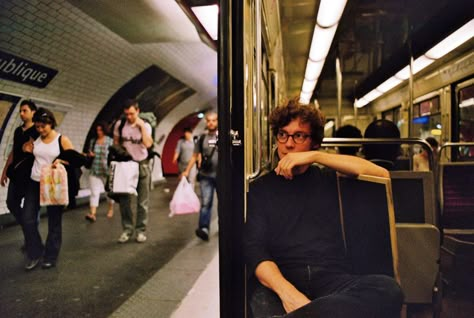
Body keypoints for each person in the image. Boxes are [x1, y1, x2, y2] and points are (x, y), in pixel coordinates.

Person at [244, 99, 403, 317]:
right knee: (261, 302)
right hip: (282, 279)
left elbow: (381, 174)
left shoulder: (329, 178)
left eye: (299, 136)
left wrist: (318, 157)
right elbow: (256, 252)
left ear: (314, 142)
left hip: (331, 279)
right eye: (283, 134)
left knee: (388, 289)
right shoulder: (259, 189)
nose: (289, 144)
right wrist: (288, 293)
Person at [22, 108, 75, 270]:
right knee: (27, 219)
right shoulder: (37, 140)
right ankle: (36, 251)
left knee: (54, 221)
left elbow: (74, 159)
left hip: (53, 183)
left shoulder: (61, 140)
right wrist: (26, 148)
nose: (40, 130)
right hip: (35, 182)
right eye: (37, 127)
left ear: (50, 123)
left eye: (43, 127)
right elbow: (31, 151)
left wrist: (61, 161)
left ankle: (50, 256)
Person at [1, 100, 39, 252]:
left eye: (25, 111)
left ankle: (31, 241)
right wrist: (4, 171)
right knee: (11, 202)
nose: (21, 114)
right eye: (20, 111)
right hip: (16, 175)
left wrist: (33, 149)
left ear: (33, 112)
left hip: (31, 177)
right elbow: (13, 152)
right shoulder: (18, 131)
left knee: (32, 212)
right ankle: (29, 231)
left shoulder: (38, 131)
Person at [113, 99, 153, 243]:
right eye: (127, 114)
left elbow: (148, 144)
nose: (129, 117)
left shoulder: (145, 125)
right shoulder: (120, 124)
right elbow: (116, 142)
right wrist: (121, 152)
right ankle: (127, 229)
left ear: (138, 111)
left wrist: (141, 126)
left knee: (142, 202)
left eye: (131, 114)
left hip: (141, 164)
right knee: (125, 201)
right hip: (126, 165)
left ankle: (140, 231)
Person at [181, 111, 218, 241]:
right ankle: (204, 228)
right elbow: (194, 156)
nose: (211, 123)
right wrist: (187, 171)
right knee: (206, 203)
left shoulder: (223, 136)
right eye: (209, 121)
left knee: (223, 203)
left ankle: (223, 226)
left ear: (218, 122)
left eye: (214, 120)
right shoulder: (202, 138)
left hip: (222, 176)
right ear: (206, 122)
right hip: (206, 175)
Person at [84, 122, 115, 222]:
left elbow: (113, 155)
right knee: (94, 192)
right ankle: (92, 213)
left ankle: (110, 208)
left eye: (100, 130)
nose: (98, 132)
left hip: (107, 170)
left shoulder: (110, 141)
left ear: (105, 130)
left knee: (109, 192)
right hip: (95, 169)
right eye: (97, 130)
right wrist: (90, 155)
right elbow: (89, 153)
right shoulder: (93, 141)